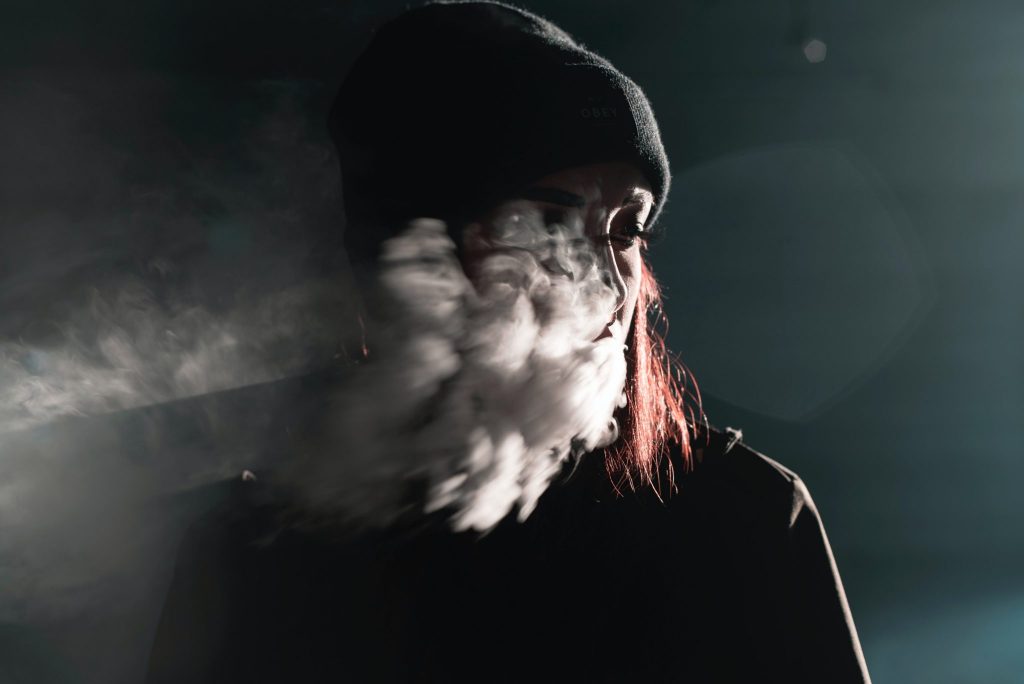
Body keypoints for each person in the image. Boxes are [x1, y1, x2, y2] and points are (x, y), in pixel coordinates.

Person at [145, 2, 872, 682]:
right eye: (548, 220)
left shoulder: (739, 520)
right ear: (415, 249)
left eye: (626, 231)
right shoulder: (257, 552)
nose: (607, 278)